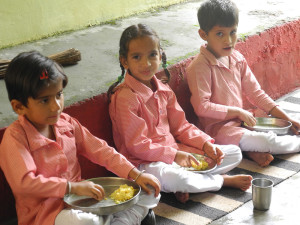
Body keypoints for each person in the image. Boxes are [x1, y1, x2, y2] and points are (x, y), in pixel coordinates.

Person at [0, 51, 161, 225]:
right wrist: (71, 188)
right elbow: (25, 184)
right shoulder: (15, 138)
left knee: (149, 190)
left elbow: (101, 150)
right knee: (84, 222)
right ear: (19, 106)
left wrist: (135, 174)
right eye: (44, 100)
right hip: (48, 214)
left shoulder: (66, 123)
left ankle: (118, 222)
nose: (56, 106)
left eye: (59, 94)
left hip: (83, 200)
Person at [107, 23, 252, 204]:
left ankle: (187, 185)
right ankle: (220, 181)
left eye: (152, 55)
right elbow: (136, 146)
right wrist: (174, 156)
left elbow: (182, 127)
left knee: (233, 153)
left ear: (161, 54)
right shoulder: (125, 97)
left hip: (176, 154)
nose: (146, 63)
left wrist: (206, 144)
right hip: (145, 164)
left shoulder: (164, 89)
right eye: (137, 57)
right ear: (124, 61)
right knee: (177, 179)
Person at [186, 0, 300, 167]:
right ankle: (260, 148)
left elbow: (257, 94)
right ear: (204, 35)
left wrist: (288, 119)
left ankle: (251, 151)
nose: (228, 40)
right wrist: (237, 112)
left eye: (233, 32)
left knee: (285, 123)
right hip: (219, 131)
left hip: (242, 122)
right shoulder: (199, 67)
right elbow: (201, 107)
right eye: (220, 34)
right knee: (266, 141)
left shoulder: (237, 58)